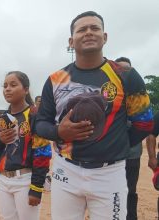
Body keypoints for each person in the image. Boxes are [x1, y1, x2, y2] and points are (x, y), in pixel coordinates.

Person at [35, 11, 153, 220]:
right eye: (82, 29)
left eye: (94, 28)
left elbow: (144, 123)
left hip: (110, 173)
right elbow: (40, 123)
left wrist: (115, 143)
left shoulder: (125, 75)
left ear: (104, 37)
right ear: (71, 41)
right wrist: (58, 132)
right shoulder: (55, 80)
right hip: (66, 171)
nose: (88, 32)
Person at [0, 71, 51, 220]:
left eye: (13, 85)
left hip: (25, 180)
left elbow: (42, 153)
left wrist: (36, 188)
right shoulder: (1, 118)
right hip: (4, 179)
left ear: (25, 89)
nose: (7, 89)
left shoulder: (34, 115)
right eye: (5, 86)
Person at [115, 56, 142, 220]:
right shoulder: (110, 96)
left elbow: (143, 125)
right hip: (111, 155)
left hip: (132, 154)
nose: (124, 73)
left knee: (130, 190)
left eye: (127, 69)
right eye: (120, 69)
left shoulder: (138, 98)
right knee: (111, 190)